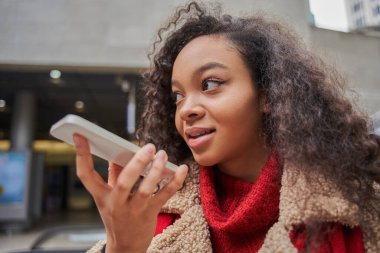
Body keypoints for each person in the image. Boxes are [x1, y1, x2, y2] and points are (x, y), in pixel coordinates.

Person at [75, 1, 380, 252]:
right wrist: (121, 246)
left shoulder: (355, 201)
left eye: (209, 84)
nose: (187, 109)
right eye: (178, 96)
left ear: (267, 95)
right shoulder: (156, 209)